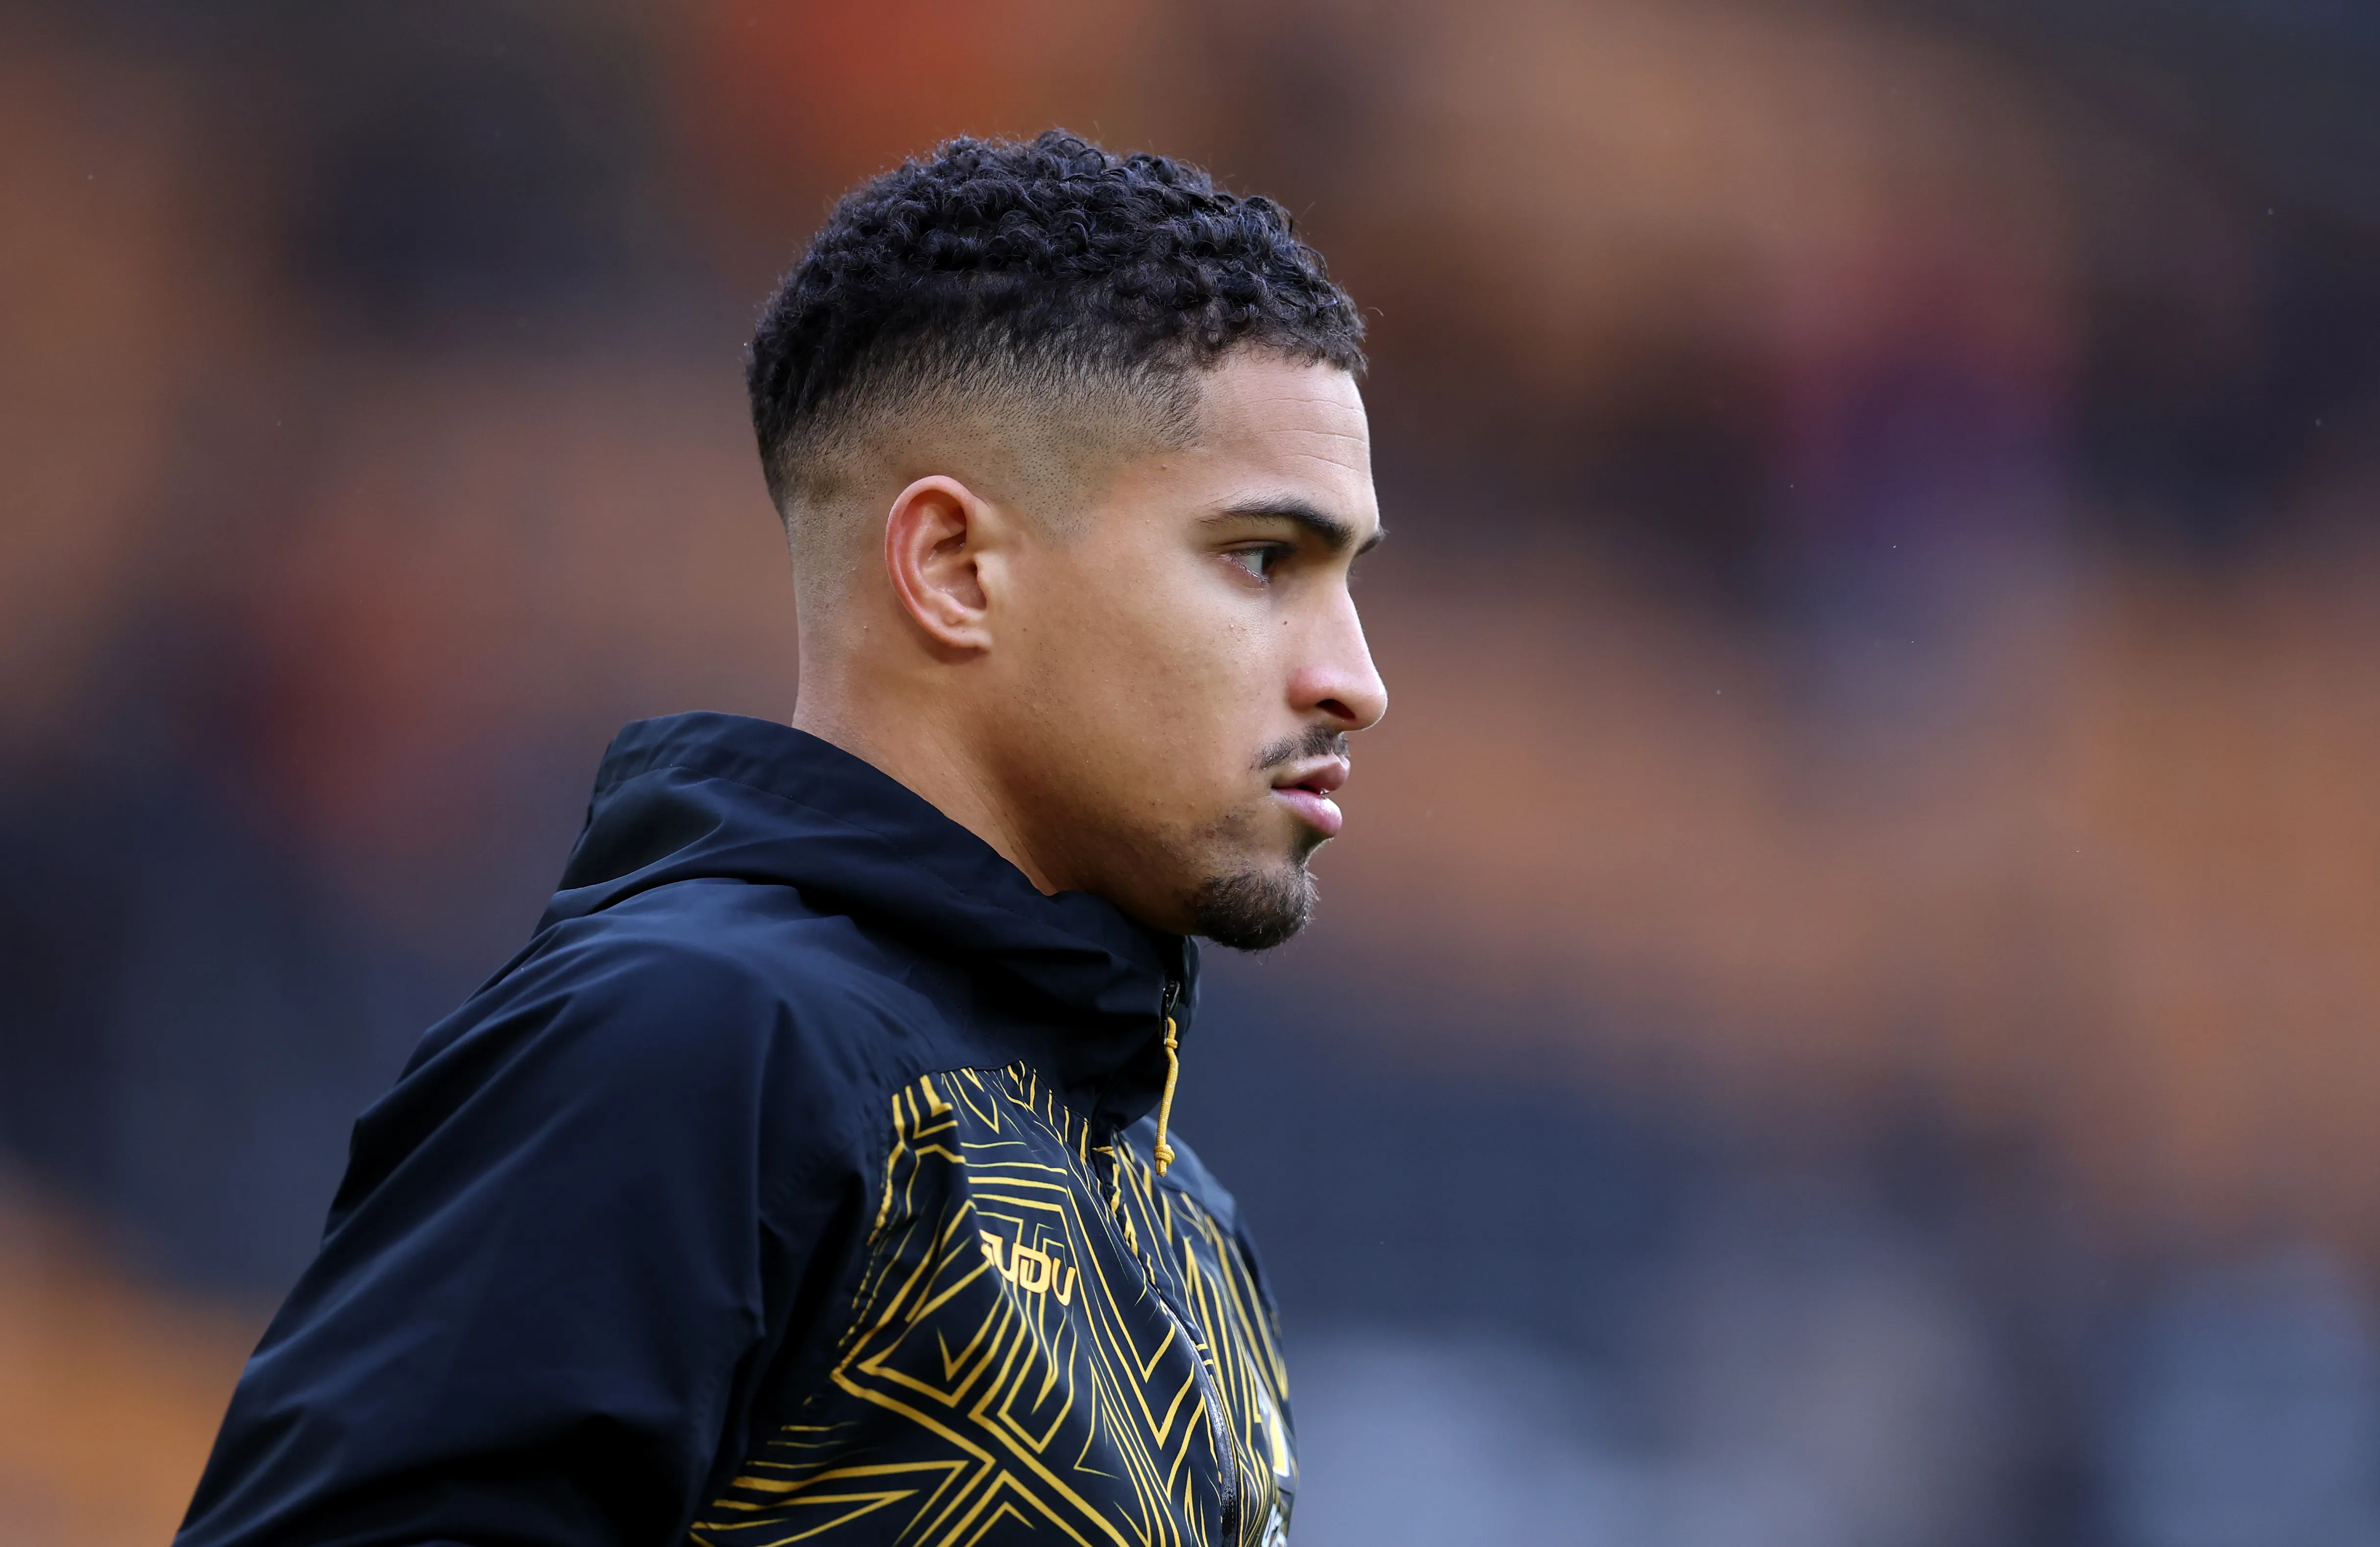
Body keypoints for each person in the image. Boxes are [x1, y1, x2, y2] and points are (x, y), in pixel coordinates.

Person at [177, 129, 1386, 1547]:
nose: (1353, 677)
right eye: (1260, 559)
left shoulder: (1176, 1207)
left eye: (1347, 577)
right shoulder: (693, 1035)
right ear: (951, 567)